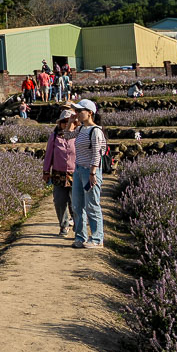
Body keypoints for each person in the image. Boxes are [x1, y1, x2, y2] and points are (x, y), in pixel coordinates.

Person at [70, 99, 105, 249]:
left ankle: (97, 238)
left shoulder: (95, 131)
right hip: (78, 170)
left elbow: (97, 154)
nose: (77, 113)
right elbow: (67, 136)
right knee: (77, 205)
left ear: (90, 113)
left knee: (92, 205)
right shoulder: (80, 129)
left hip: (90, 172)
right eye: (76, 111)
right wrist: (71, 122)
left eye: (80, 111)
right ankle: (80, 237)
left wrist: (92, 173)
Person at [43, 110, 78, 237]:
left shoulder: (79, 136)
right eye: (64, 122)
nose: (66, 124)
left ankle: (78, 226)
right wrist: (46, 171)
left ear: (75, 123)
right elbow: (48, 155)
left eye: (69, 121)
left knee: (75, 202)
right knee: (59, 201)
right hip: (58, 174)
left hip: (75, 174)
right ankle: (64, 225)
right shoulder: (54, 136)